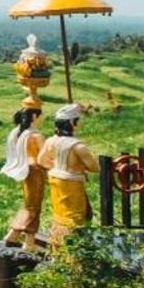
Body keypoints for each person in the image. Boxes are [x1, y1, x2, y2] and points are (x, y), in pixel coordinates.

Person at [37, 103, 98, 240]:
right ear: (72, 122)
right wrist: (80, 165)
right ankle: (71, 252)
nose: (80, 123)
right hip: (72, 184)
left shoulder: (50, 141)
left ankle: (57, 244)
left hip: (55, 180)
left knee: (60, 215)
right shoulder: (77, 146)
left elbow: (41, 161)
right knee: (73, 217)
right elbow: (95, 168)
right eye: (78, 120)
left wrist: (55, 166)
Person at [0, 106, 47, 248]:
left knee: (31, 205)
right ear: (34, 117)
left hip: (27, 170)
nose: (43, 118)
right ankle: (25, 240)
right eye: (41, 115)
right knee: (33, 207)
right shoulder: (36, 136)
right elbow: (44, 158)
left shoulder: (20, 134)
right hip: (36, 171)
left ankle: (17, 237)